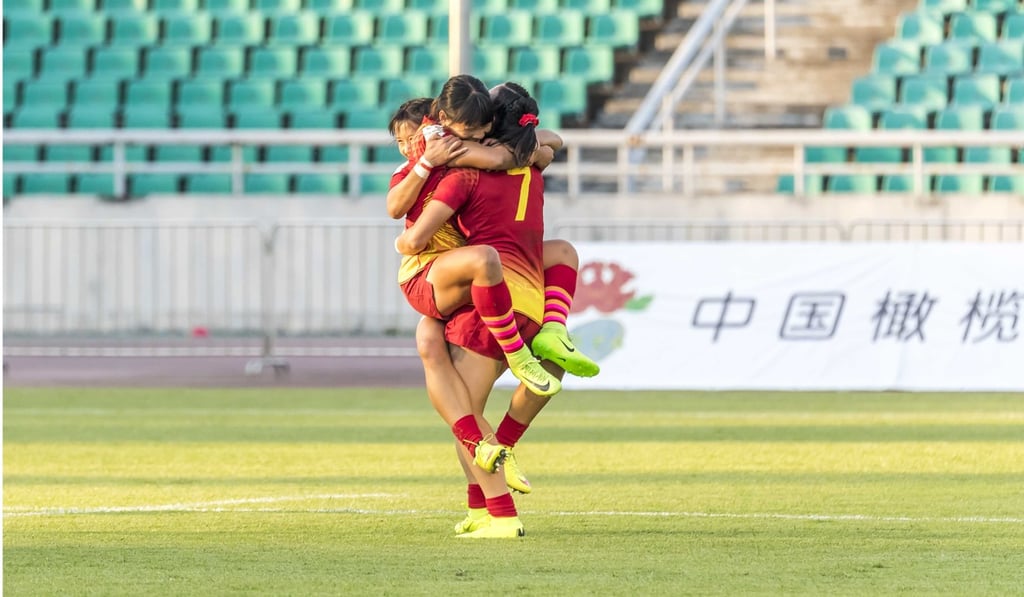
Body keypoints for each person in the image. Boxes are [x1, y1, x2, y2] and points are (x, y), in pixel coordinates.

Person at [395, 80, 567, 538]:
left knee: (467, 418)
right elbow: (551, 141)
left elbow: (409, 229)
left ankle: (501, 513)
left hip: (488, 303)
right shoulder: (530, 164)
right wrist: (517, 148)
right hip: (531, 294)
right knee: (428, 338)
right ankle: (555, 332)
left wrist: (406, 240)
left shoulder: (461, 170)